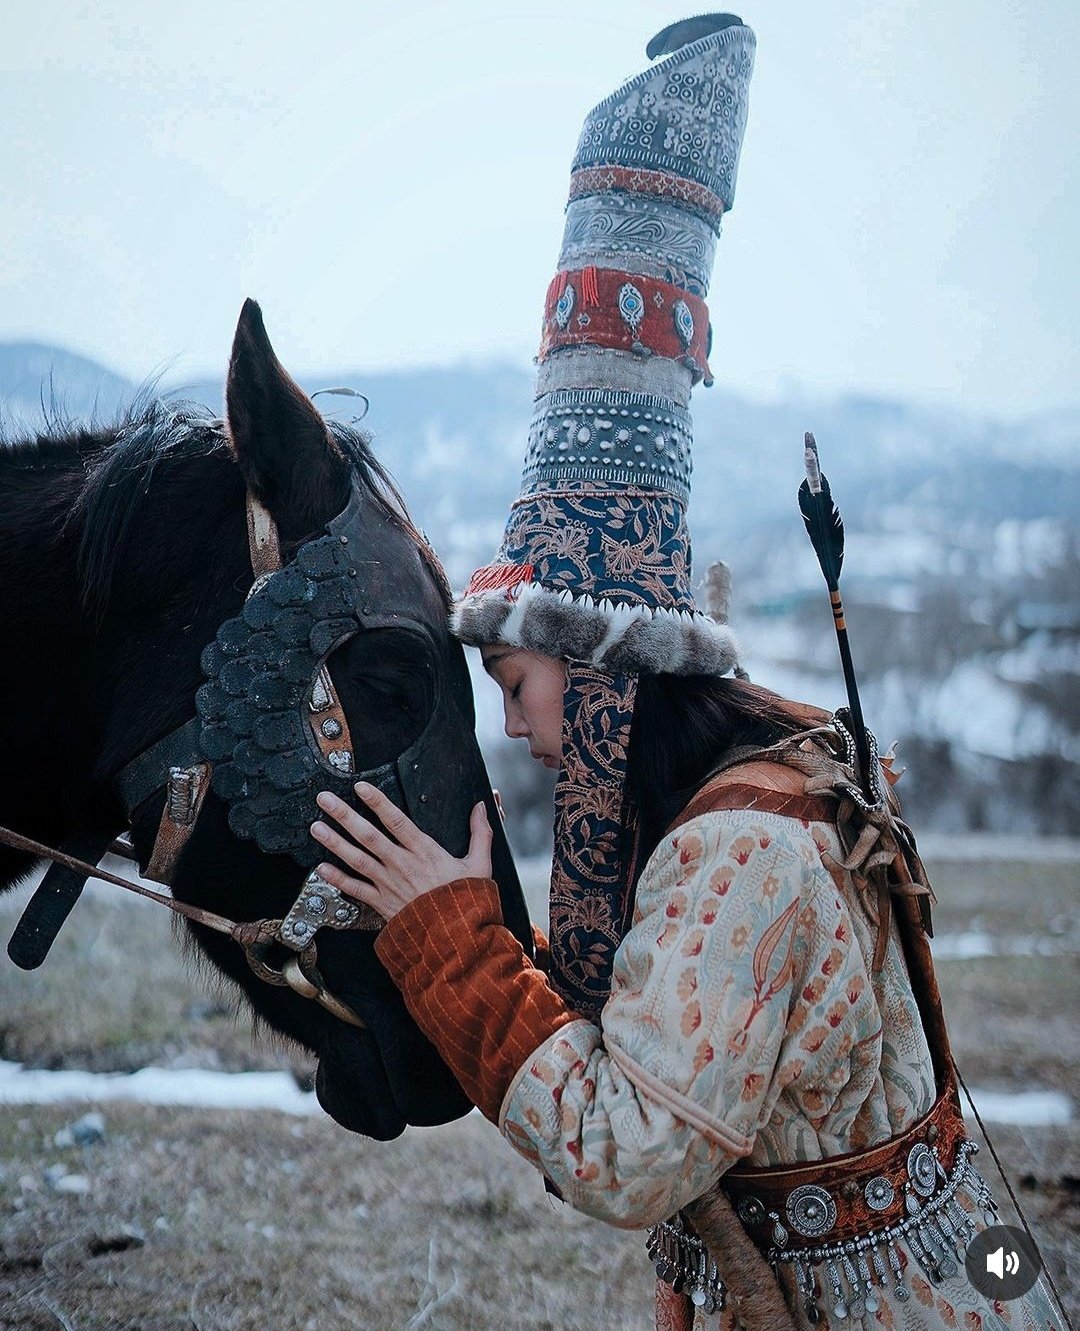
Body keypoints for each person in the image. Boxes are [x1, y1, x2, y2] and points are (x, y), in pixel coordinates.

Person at [311, 17, 1066, 1331]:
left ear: (607, 677)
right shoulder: (752, 792)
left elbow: (627, 1152)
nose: (522, 729)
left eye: (524, 685)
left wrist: (449, 937)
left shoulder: (743, 852)